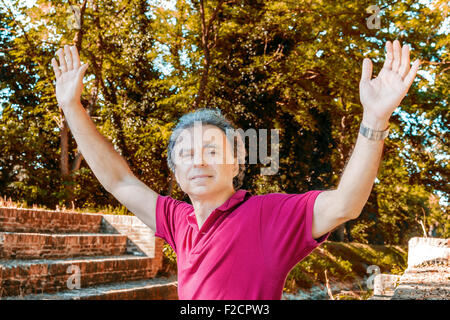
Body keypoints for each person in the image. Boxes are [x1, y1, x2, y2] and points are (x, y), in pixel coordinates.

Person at [51, 40, 420, 299]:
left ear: (236, 162)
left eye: (212, 150)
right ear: (175, 171)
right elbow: (118, 179)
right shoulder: (177, 220)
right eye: (187, 153)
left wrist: (374, 118)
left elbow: (345, 204)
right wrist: (71, 107)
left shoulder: (269, 215)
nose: (198, 160)